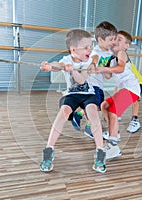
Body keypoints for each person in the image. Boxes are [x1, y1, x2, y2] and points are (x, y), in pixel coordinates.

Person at [39, 29, 106, 173]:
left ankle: (100, 152)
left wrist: (73, 71)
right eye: (86, 47)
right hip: (72, 94)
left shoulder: (89, 61)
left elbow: (81, 80)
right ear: (73, 49)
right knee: (63, 112)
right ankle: (49, 150)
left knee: (93, 114)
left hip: (88, 94)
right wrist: (49, 66)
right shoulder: (67, 60)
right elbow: (58, 65)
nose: (90, 49)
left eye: (90, 46)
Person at [97, 30, 141, 160]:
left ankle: (113, 145)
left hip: (131, 88)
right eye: (115, 38)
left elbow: (121, 68)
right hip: (124, 89)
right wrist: (98, 68)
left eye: (120, 39)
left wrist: (104, 68)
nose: (116, 41)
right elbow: (108, 75)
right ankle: (115, 133)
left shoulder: (122, 53)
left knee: (113, 110)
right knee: (104, 105)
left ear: (126, 46)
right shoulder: (111, 58)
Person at [71, 21, 117, 139]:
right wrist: (93, 64)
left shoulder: (111, 55)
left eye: (114, 39)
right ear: (100, 40)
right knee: (94, 107)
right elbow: (94, 59)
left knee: (97, 106)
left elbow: (107, 76)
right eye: (111, 39)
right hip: (91, 84)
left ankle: (78, 114)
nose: (113, 42)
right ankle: (89, 128)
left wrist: (107, 70)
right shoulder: (94, 51)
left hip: (100, 85)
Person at [126, 63, 142, 133]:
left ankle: (135, 120)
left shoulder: (122, 57)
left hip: (137, 82)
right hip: (127, 82)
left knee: (135, 100)